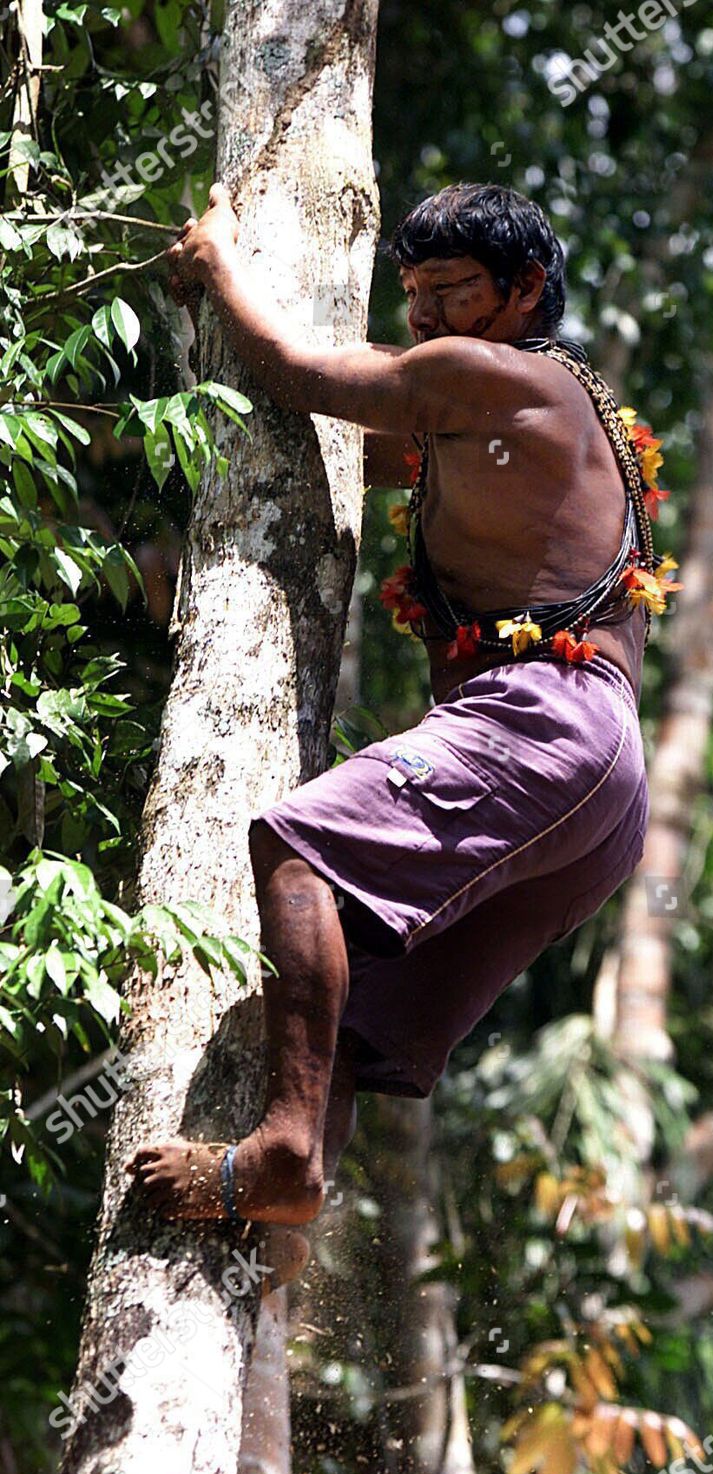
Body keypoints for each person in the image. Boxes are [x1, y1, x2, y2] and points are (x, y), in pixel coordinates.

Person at [128, 181, 679, 1227]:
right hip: (599, 798)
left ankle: (284, 1149)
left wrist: (215, 267)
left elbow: (294, 378)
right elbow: (348, 435)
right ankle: (278, 1234)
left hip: (544, 724)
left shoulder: (487, 378)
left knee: (298, 850)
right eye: (414, 291)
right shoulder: (511, 415)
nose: (424, 316)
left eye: (453, 291)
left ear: (523, 291)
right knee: (357, 1011)